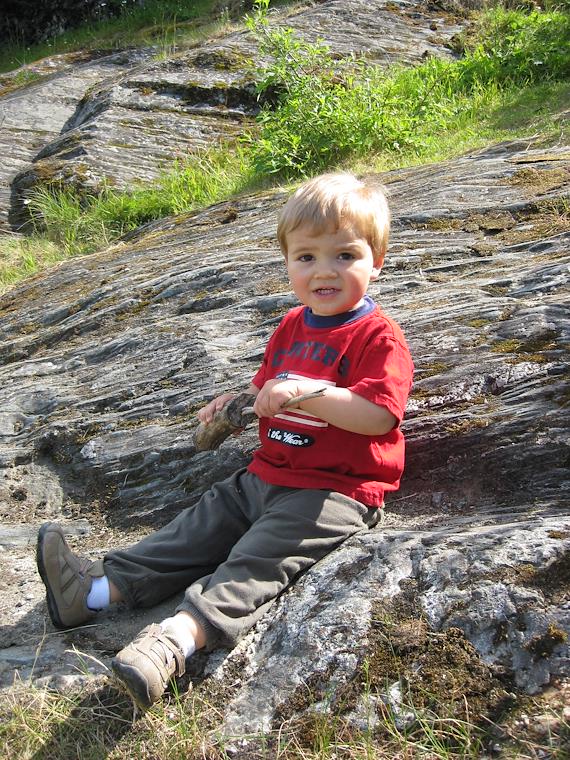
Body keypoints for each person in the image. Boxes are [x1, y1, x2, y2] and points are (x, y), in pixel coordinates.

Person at [36, 172, 414, 709]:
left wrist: (307, 392)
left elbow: (377, 417)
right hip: (264, 475)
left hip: (333, 493)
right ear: (288, 262)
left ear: (376, 261)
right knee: (194, 531)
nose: (324, 271)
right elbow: (266, 389)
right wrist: (234, 403)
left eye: (345, 255)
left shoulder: (378, 337)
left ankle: (174, 642)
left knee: (256, 561)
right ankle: (92, 593)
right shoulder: (293, 325)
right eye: (306, 257)